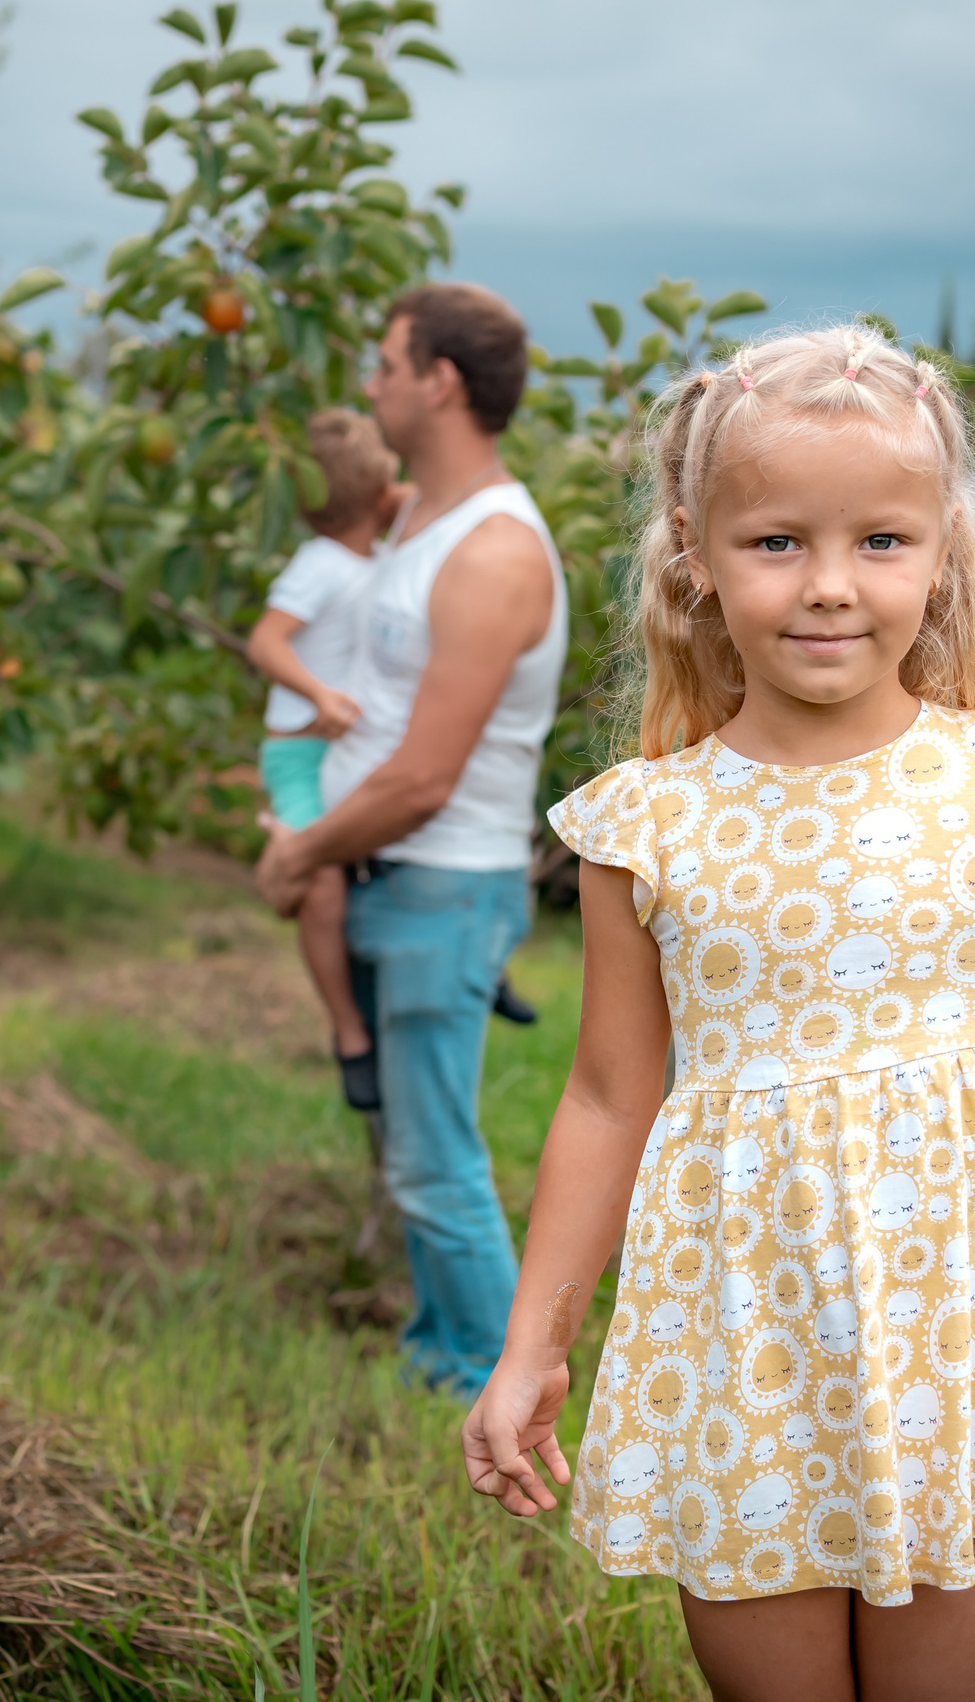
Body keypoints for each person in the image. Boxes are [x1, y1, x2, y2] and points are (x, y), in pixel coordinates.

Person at [458, 325, 975, 1699]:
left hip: (968, 1338)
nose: (830, 587)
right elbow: (609, 1095)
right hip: (747, 1355)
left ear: (946, 548)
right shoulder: (644, 826)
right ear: (693, 553)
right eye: (776, 542)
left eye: (882, 542)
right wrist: (533, 1343)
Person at [254, 283, 567, 1396]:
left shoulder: (492, 553)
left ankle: (493, 1381)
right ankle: (438, 1357)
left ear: (438, 381)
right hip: (390, 870)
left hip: (441, 882)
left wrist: (301, 851)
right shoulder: (417, 522)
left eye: (385, 364)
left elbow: (428, 774)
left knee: (437, 1159)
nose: (370, 384)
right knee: (413, 1147)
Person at [246, 409, 408, 1110]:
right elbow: (266, 642)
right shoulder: (320, 566)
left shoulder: (383, 553)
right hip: (301, 753)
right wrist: (318, 692)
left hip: (349, 749)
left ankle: (466, 972)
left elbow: (421, 497)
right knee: (321, 886)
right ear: (375, 490)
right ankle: (349, 1033)